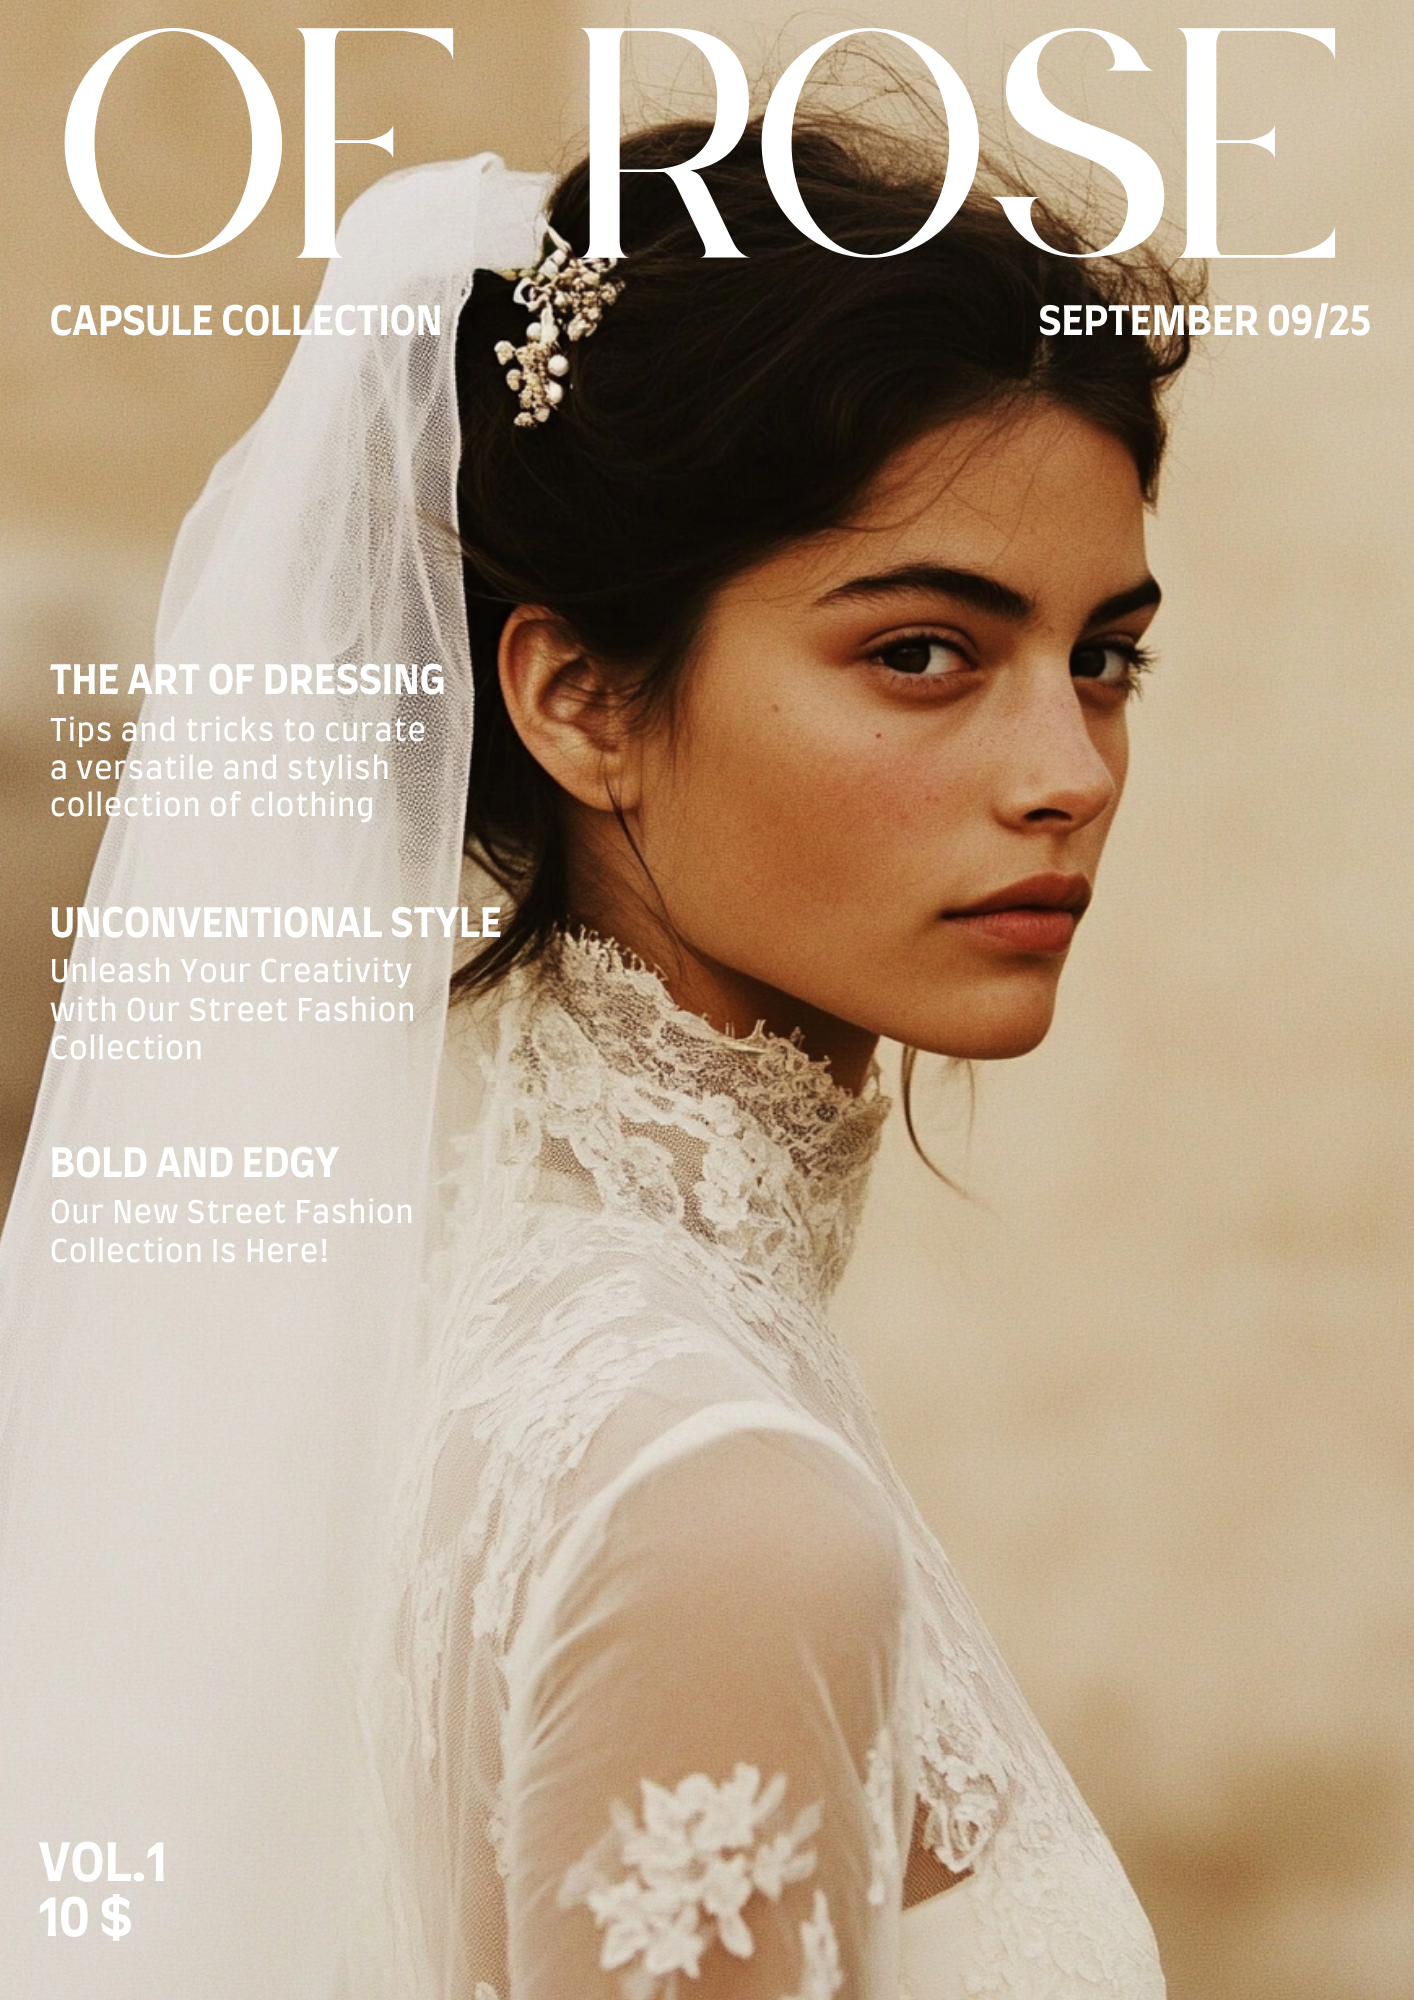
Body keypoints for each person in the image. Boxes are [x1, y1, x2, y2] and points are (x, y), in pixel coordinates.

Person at [0, 115, 1191, 2000]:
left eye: (1101, 657)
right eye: (921, 655)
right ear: (576, 702)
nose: (1065, 773)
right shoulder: (715, 1496)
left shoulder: (460, 1311)